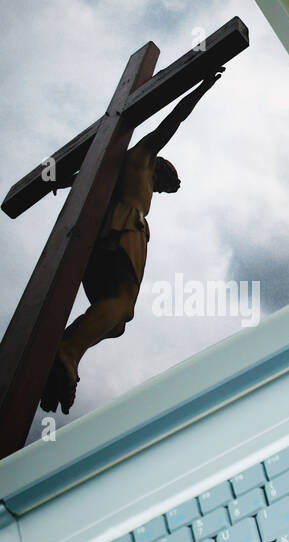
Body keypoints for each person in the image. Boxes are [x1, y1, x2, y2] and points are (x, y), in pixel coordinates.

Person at [40, 67, 224, 414]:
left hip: (100, 236)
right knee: (123, 305)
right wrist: (202, 86)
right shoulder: (143, 155)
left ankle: (67, 352)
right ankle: (66, 348)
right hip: (127, 227)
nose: (159, 190)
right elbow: (174, 121)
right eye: (162, 185)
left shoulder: (112, 165)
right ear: (160, 170)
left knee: (119, 324)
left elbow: (82, 178)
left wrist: (54, 181)